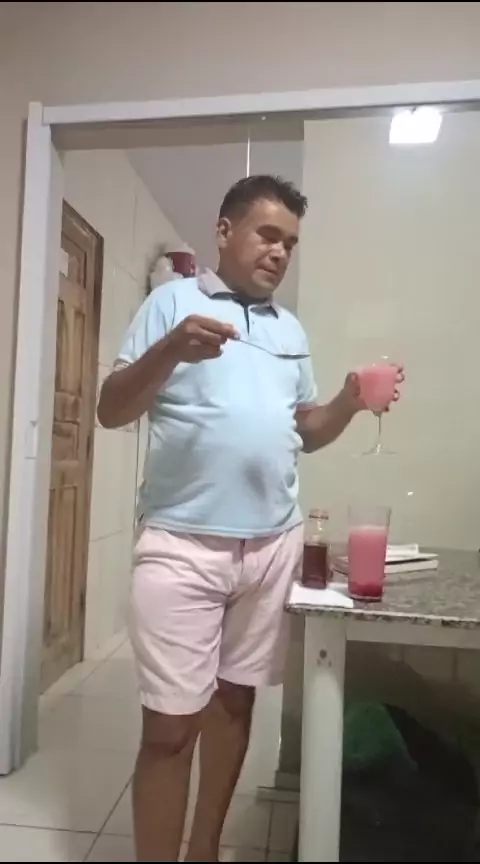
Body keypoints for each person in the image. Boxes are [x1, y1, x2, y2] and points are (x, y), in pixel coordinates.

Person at [97, 174, 403, 862]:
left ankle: (204, 850)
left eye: (290, 242)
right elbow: (111, 410)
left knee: (236, 706)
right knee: (169, 730)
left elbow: (304, 431)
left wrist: (349, 401)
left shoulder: (288, 328)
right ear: (224, 231)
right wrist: (170, 349)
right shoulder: (170, 303)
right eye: (268, 235)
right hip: (181, 541)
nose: (279, 252)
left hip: (271, 545)